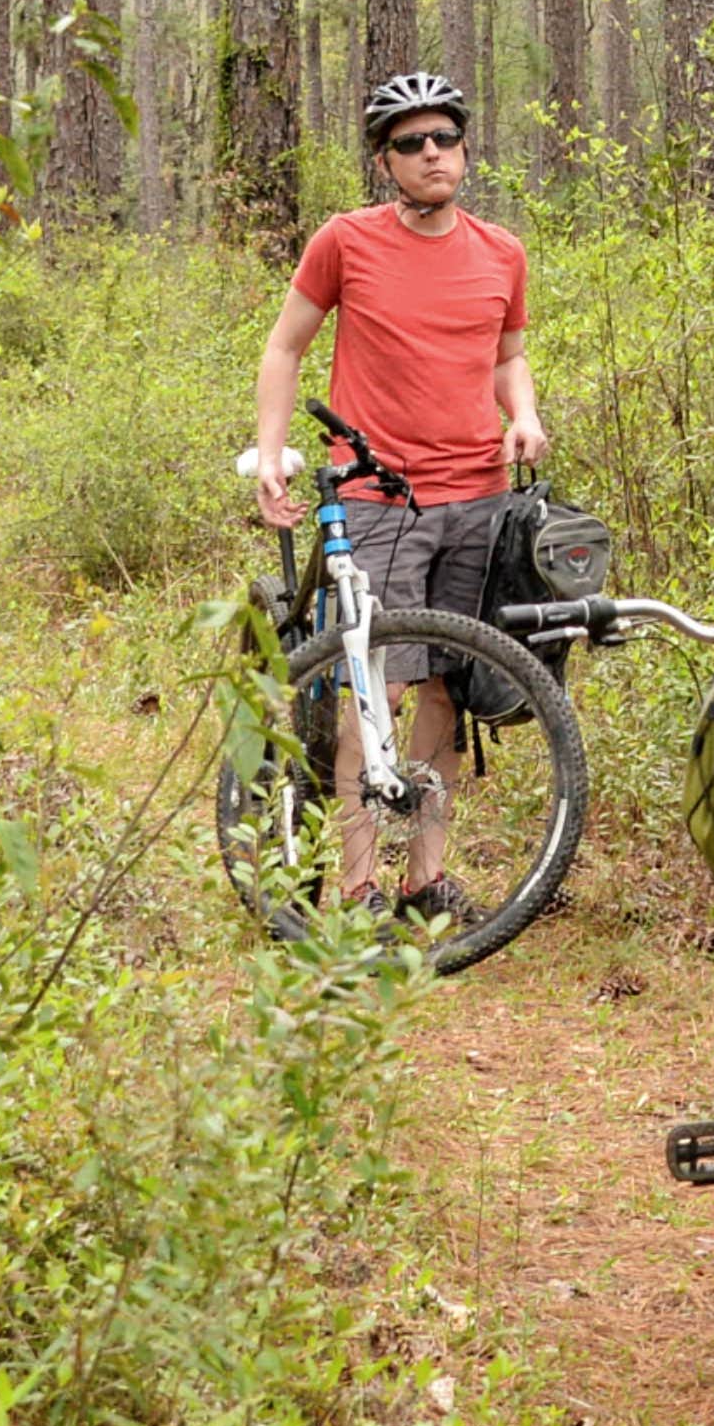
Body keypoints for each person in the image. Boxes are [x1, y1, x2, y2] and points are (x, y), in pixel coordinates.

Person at [248, 70, 547, 924]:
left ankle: (426, 878)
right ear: (386, 162)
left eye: (443, 139)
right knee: (368, 687)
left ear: (464, 148)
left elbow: (507, 356)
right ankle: (358, 883)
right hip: (378, 496)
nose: (431, 155)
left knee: (449, 689)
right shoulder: (345, 242)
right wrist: (274, 457)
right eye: (411, 144)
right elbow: (285, 348)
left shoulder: (501, 252)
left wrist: (521, 414)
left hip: (479, 498)